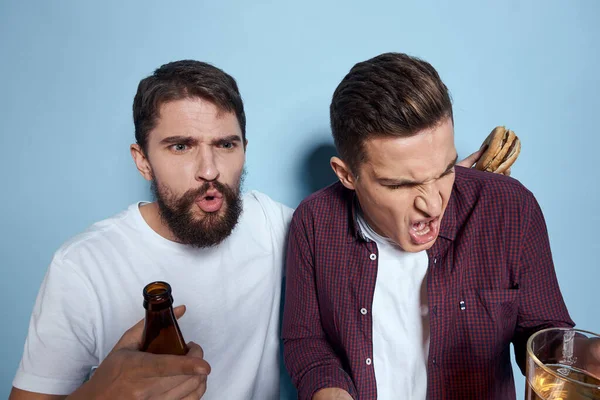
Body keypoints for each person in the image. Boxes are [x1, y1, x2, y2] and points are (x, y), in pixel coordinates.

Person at [282, 52, 575, 400]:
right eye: (400, 185)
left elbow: (543, 334)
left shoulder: (511, 209)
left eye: (445, 171)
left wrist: (578, 357)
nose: (433, 204)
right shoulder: (314, 223)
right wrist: (328, 390)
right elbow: (306, 339)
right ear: (347, 175)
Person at [10, 60, 293, 400]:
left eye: (225, 145)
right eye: (180, 146)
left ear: (244, 149)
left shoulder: (271, 224)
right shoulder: (82, 267)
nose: (209, 170)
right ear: (142, 160)